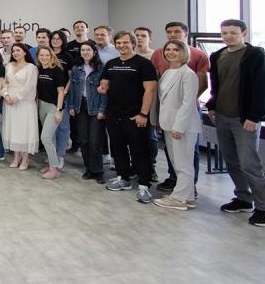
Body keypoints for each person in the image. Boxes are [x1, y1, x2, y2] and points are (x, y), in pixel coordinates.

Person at [206, 19, 265, 227]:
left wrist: (254, 117)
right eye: (224, 33)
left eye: (233, 33)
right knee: (232, 162)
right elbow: (216, 85)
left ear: (244, 33)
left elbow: (264, 89)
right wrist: (212, 105)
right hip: (222, 117)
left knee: (249, 164)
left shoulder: (257, 56)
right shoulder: (218, 56)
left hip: (244, 119)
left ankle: (264, 209)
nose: (228, 36)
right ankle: (243, 198)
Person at [99, 30, 158, 203]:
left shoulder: (143, 64)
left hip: (135, 115)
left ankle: (144, 184)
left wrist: (143, 114)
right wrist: (102, 88)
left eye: (125, 42)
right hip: (114, 112)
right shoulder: (111, 64)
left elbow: (150, 90)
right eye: (119, 43)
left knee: (140, 150)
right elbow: (105, 83)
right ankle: (123, 177)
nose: (121, 46)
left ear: (133, 43)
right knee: (118, 147)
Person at [151, 21, 209, 194]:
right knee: (173, 153)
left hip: (185, 113)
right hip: (167, 114)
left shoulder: (196, 58)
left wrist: (182, 111)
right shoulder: (164, 62)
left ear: (186, 33)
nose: (172, 34)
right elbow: (159, 88)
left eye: (177, 31)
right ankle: (175, 180)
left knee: (187, 155)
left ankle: (189, 188)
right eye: (169, 32)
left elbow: (199, 88)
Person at [151, 41, 200, 211]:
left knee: (183, 163)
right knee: (177, 162)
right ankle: (189, 197)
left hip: (182, 127)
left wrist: (179, 126)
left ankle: (179, 199)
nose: (170, 52)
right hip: (168, 123)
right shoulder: (168, 72)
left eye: (175, 50)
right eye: (168, 50)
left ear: (183, 52)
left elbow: (188, 103)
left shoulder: (188, 74)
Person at [65, 42, 107, 183]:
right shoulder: (76, 69)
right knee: (84, 140)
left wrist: (102, 109)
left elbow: (105, 91)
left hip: (96, 107)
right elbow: (73, 88)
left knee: (95, 141)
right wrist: (71, 105)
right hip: (80, 106)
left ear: (94, 52)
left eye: (88, 50)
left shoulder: (101, 69)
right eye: (83, 50)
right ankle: (89, 168)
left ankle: (98, 170)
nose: (85, 52)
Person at [1, 43, 39, 170]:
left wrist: (17, 97)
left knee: (24, 129)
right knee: (13, 128)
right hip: (10, 101)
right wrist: (6, 95)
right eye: (13, 51)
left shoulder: (31, 67)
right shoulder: (9, 66)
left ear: (25, 52)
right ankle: (16, 157)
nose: (15, 53)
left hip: (24, 102)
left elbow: (30, 87)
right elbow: (5, 83)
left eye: (18, 50)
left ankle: (26, 158)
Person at [36, 47, 66, 179]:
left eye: (47, 55)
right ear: (38, 57)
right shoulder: (39, 70)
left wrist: (59, 110)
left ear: (51, 56)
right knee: (51, 137)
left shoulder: (57, 70)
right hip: (42, 105)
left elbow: (61, 92)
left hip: (53, 107)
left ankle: (54, 168)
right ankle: (50, 164)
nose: (44, 58)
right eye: (41, 55)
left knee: (45, 137)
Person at [51, 30, 76, 158]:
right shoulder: (46, 54)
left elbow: (71, 77)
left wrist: (65, 91)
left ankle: (60, 155)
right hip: (48, 96)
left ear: (63, 41)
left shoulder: (67, 57)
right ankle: (52, 155)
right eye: (53, 38)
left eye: (58, 39)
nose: (55, 41)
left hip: (64, 96)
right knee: (51, 128)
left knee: (63, 126)